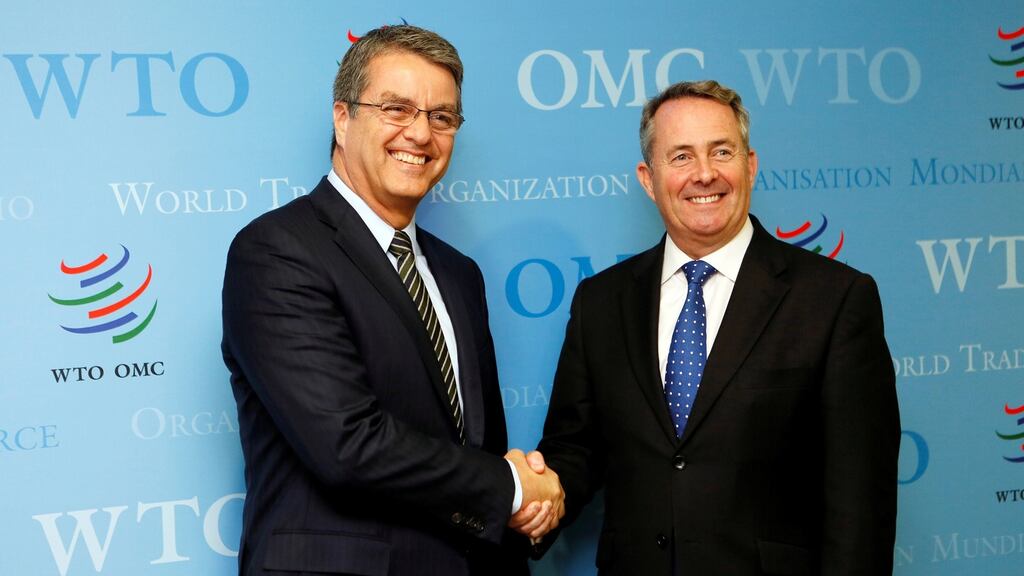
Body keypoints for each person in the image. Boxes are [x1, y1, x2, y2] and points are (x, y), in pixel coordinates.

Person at [222, 24, 561, 576]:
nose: (420, 134)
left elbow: (472, 452)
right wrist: (514, 485)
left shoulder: (459, 273)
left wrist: (526, 508)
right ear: (342, 118)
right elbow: (347, 446)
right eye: (396, 109)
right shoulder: (277, 251)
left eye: (441, 117)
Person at [534, 80, 900, 575]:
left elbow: (860, 506)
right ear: (649, 178)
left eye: (721, 151)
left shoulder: (835, 299)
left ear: (750, 165)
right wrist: (531, 498)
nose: (704, 173)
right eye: (681, 156)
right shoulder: (600, 302)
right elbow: (573, 448)